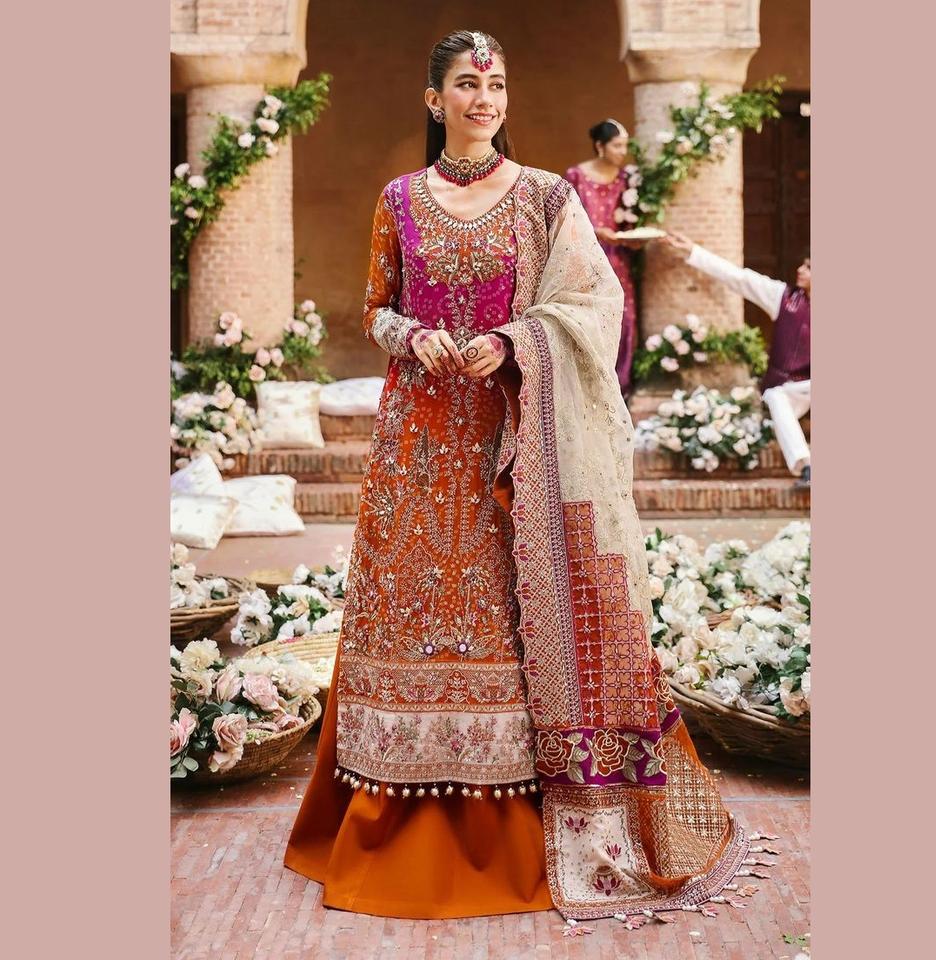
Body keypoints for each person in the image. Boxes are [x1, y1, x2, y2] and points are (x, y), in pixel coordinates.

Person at [285, 29, 764, 923]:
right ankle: (392, 813)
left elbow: (594, 303)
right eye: (468, 84)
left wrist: (513, 342)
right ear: (434, 100)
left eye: (496, 84)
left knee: (506, 617)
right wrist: (412, 336)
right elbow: (376, 307)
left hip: (518, 446)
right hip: (419, 448)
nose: (484, 99)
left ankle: (522, 821)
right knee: (416, 612)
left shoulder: (546, 197)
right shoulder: (400, 200)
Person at [662, 232, 812, 485]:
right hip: (788, 388)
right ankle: (806, 466)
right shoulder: (783, 298)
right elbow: (738, 278)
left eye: (808, 267)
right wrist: (693, 251)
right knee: (775, 396)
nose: (800, 269)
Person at [564, 120, 646, 395]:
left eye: (625, 146)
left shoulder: (627, 179)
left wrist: (633, 237)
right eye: (617, 145)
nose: (623, 151)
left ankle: (619, 388)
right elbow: (564, 218)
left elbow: (630, 222)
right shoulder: (576, 175)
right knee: (588, 317)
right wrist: (597, 231)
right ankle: (587, 388)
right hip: (585, 259)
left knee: (623, 317)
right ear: (600, 146)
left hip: (619, 260)